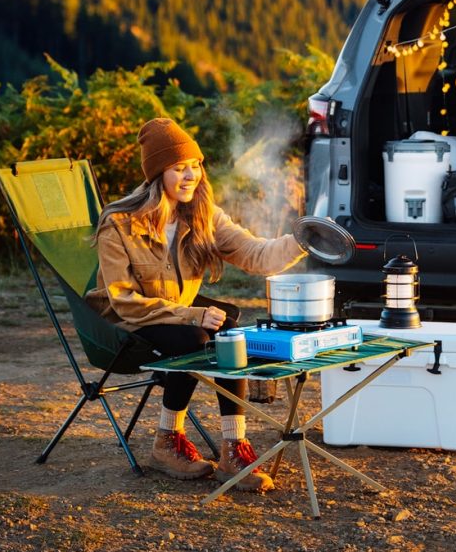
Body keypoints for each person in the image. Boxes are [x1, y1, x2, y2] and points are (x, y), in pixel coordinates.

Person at [86, 117, 304, 492]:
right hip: (128, 319)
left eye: (195, 166)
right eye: (178, 168)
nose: (191, 176)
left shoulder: (203, 215)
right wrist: (192, 315)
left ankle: (233, 447)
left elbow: (257, 254)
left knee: (229, 333)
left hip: (178, 311)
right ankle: (167, 442)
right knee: (192, 337)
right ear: (157, 174)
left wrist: (303, 239)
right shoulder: (119, 223)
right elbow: (124, 300)